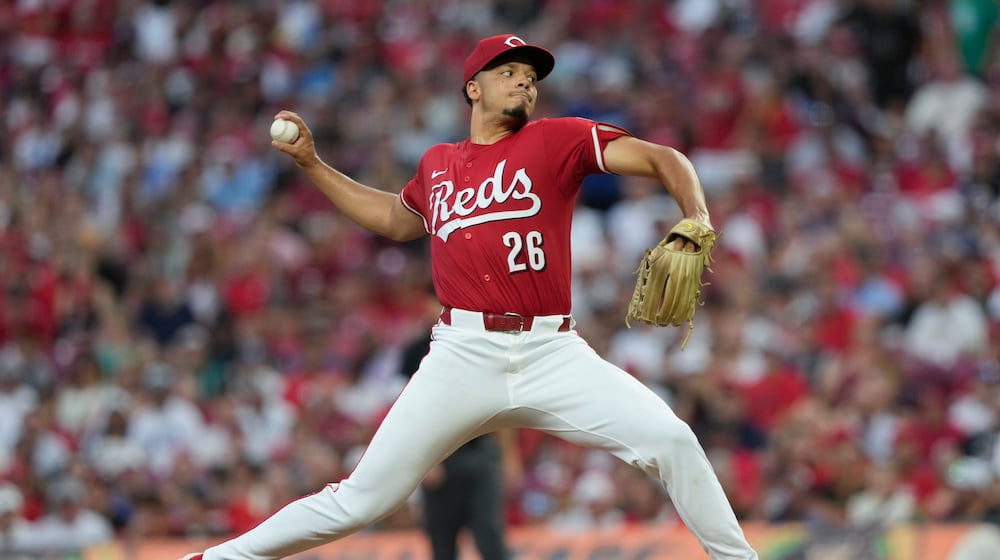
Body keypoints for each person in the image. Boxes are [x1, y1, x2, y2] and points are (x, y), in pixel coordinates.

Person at [180, 33, 759, 560]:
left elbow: (663, 158)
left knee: (673, 440)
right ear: (474, 87)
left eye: (531, 77)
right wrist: (312, 164)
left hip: (552, 351)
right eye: (511, 72)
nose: (526, 82)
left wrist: (697, 215)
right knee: (362, 499)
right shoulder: (438, 165)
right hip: (462, 352)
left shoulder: (557, 140)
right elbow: (394, 217)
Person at [399, 304, 515, 560]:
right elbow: (406, 409)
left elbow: (500, 403)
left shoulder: (479, 343)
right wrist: (425, 460)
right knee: (442, 540)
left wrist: (508, 456)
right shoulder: (416, 350)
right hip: (440, 458)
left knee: (489, 535)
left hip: (479, 451)